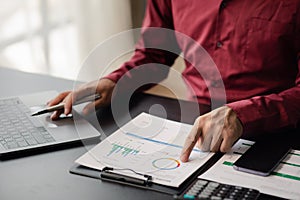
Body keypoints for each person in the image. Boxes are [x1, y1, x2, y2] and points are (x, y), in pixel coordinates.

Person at [48, 0, 300, 162]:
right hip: (190, 126)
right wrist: (116, 81)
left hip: (275, 133)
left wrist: (244, 114)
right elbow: (154, 52)